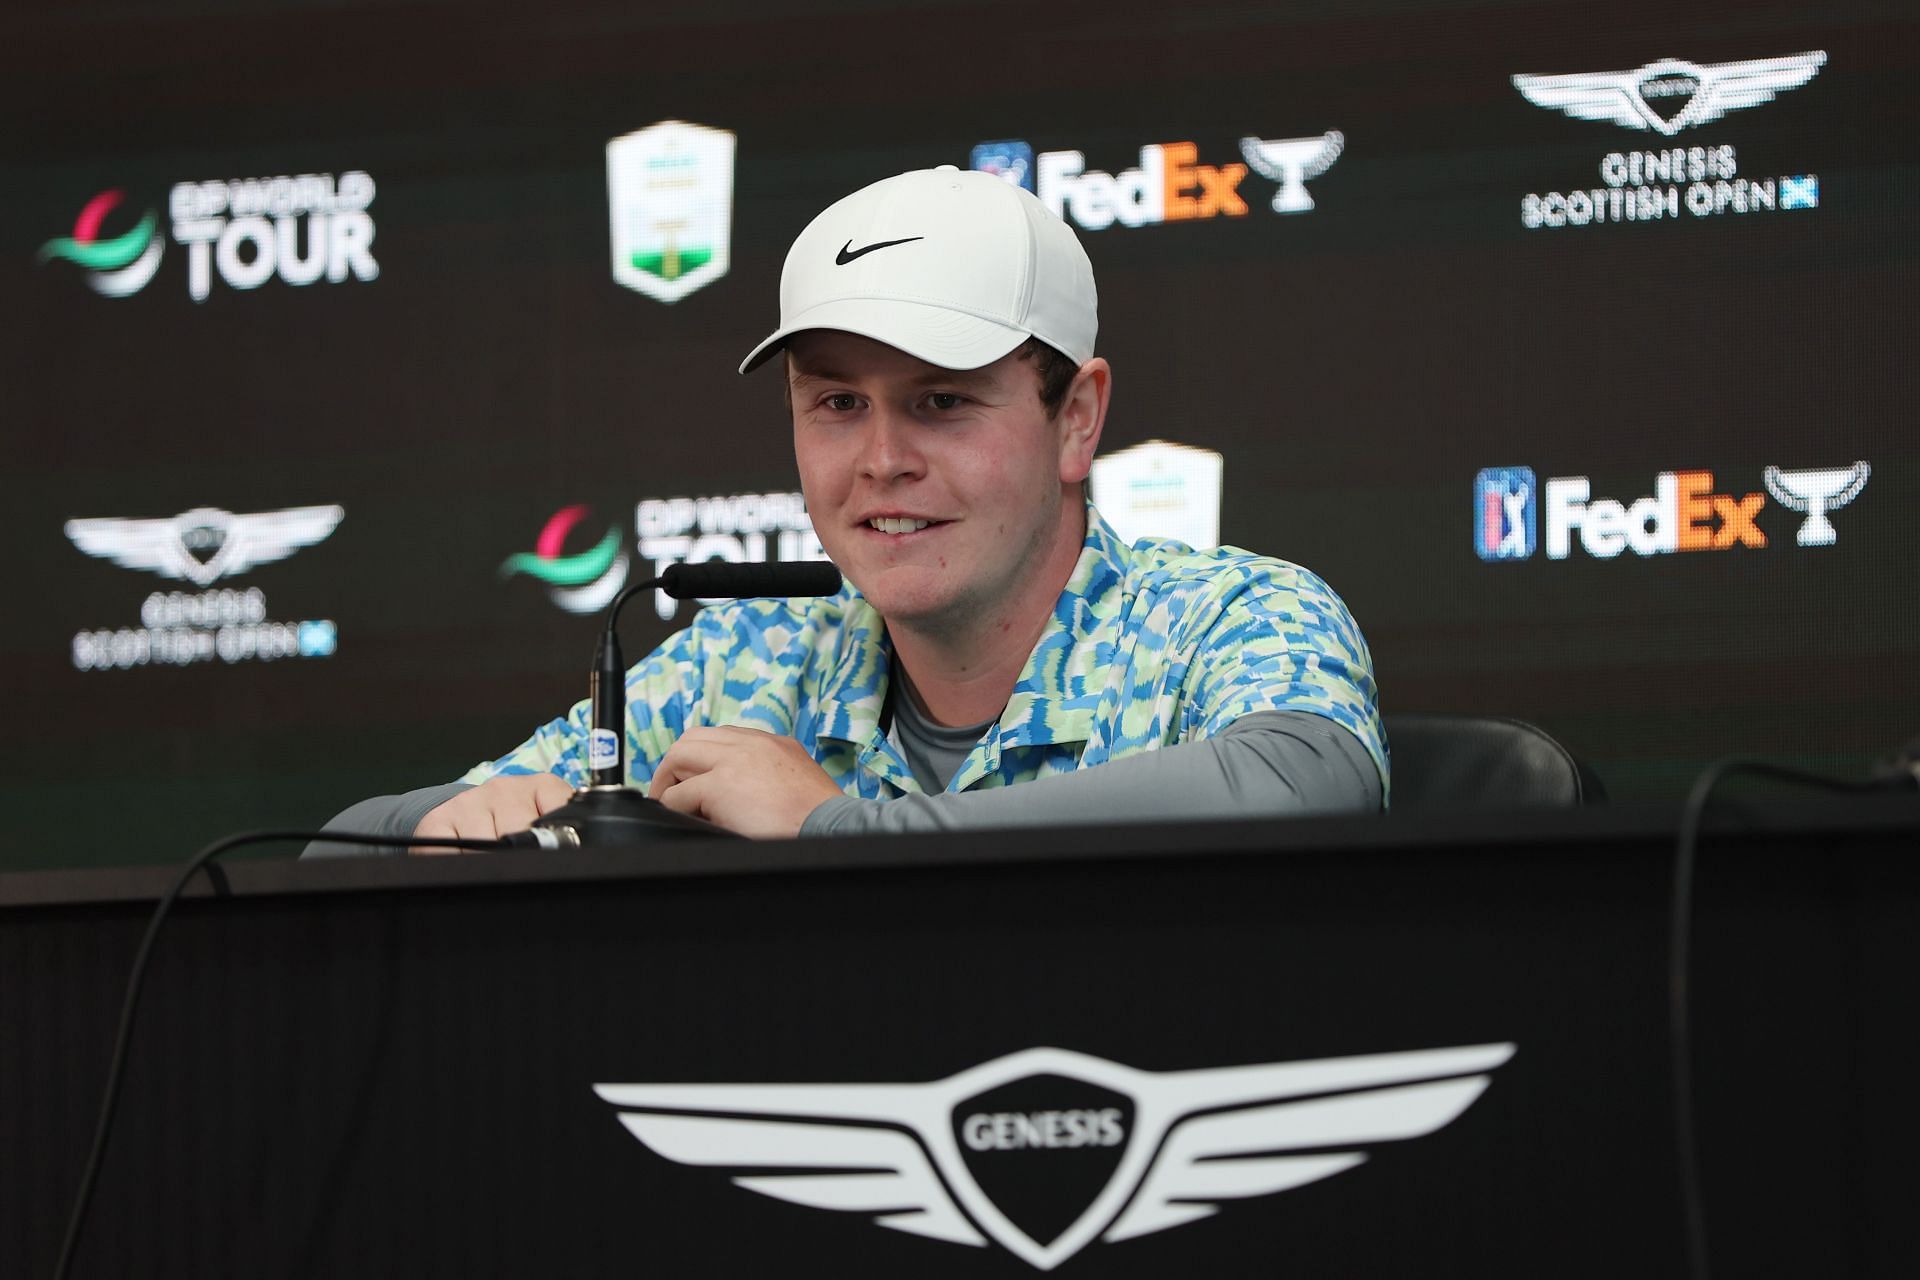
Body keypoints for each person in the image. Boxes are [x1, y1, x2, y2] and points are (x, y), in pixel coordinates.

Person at [309, 167, 1386, 855]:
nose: (880, 460)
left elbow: (1302, 783)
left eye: (942, 402)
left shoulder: (1225, 613)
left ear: (1077, 419)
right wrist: (467, 822)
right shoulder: (747, 660)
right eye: (836, 403)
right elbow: (342, 844)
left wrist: (842, 828)